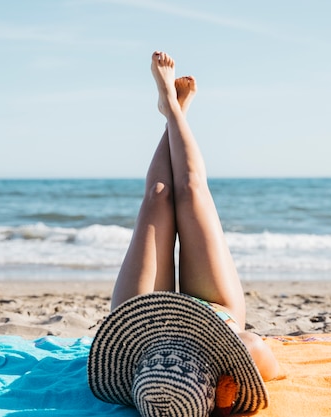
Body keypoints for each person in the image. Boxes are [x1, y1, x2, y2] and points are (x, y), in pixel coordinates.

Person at [88, 51, 280, 417]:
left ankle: (171, 110)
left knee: (158, 196)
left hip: (141, 326)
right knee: (191, 189)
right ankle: (175, 112)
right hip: (215, 312)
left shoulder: (148, 386)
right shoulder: (239, 358)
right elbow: (269, 362)